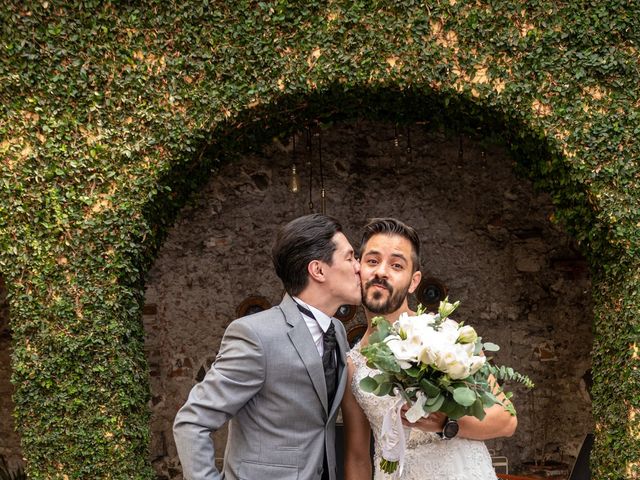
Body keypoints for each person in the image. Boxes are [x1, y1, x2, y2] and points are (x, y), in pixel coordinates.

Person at [174, 213, 361, 480]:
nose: (359, 267)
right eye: (350, 257)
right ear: (318, 270)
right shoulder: (255, 334)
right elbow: (192, 422)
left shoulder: (338, 331)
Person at [341, 218, 517, 480]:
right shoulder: (351, 364)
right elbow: (357, 458)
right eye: (373, 261)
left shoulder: (447, 333)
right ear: (359, 271)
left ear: (413, 281)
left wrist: (446, 423)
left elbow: (506, 420)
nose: (382, 271)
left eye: (397, 265)